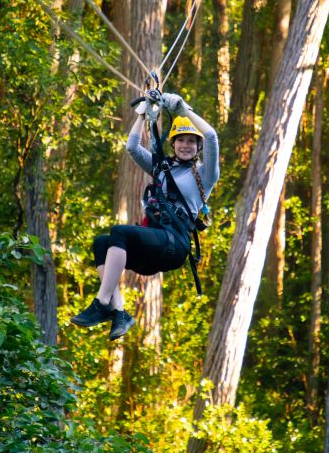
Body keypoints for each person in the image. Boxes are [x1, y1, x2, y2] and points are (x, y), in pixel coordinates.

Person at [71, 92, 220, 340]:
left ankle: (101, 303)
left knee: (120, 232)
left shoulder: (205, 174)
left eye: (191, 142)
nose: (185, 145)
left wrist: (183, 110)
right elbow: (132, 147)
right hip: (153, 247)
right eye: (180, 140)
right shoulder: (162, 169)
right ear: (172, 144)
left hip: (174, 244)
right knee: (101, 242)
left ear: (198, 147)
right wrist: (141, 115)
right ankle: (119, 313)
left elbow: (213, 136)